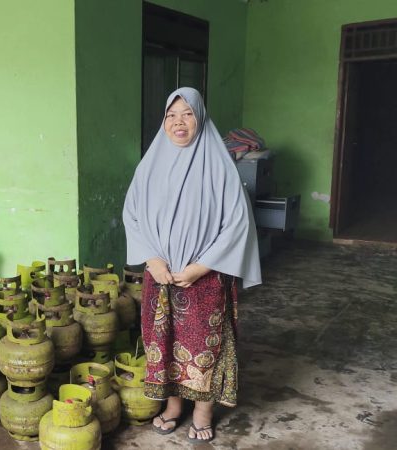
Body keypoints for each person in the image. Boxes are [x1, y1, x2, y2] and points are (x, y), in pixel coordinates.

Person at [122, 87, 261, 444]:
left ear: (200, 118)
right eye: (171, 115)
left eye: (187, 114)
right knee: (163, 340)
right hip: (161, 276)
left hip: (204, 277)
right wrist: (152, 259)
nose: (178, 122)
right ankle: (172, 405)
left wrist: (201, 267)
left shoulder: (220, 167)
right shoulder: (150, 164)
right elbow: (132, 214)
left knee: (203, 346)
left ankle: (202, 410)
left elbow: (237, 223)